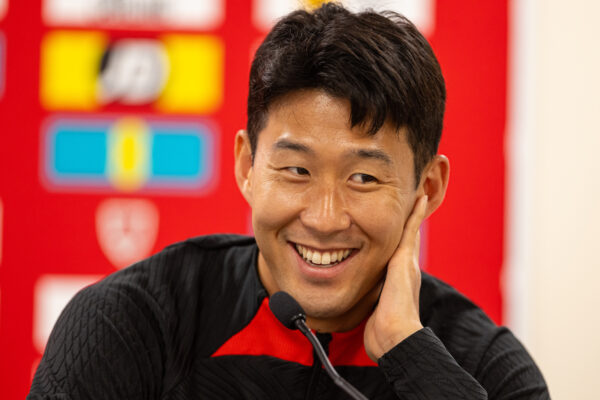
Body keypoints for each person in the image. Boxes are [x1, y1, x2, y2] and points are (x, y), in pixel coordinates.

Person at [28, 3, 549, 399]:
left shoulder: (485, 366)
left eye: (364, 178)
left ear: (427, 189)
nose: (324, 218)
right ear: (246, 168)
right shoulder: (129, 324)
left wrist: (409, 354)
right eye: (296, 170)